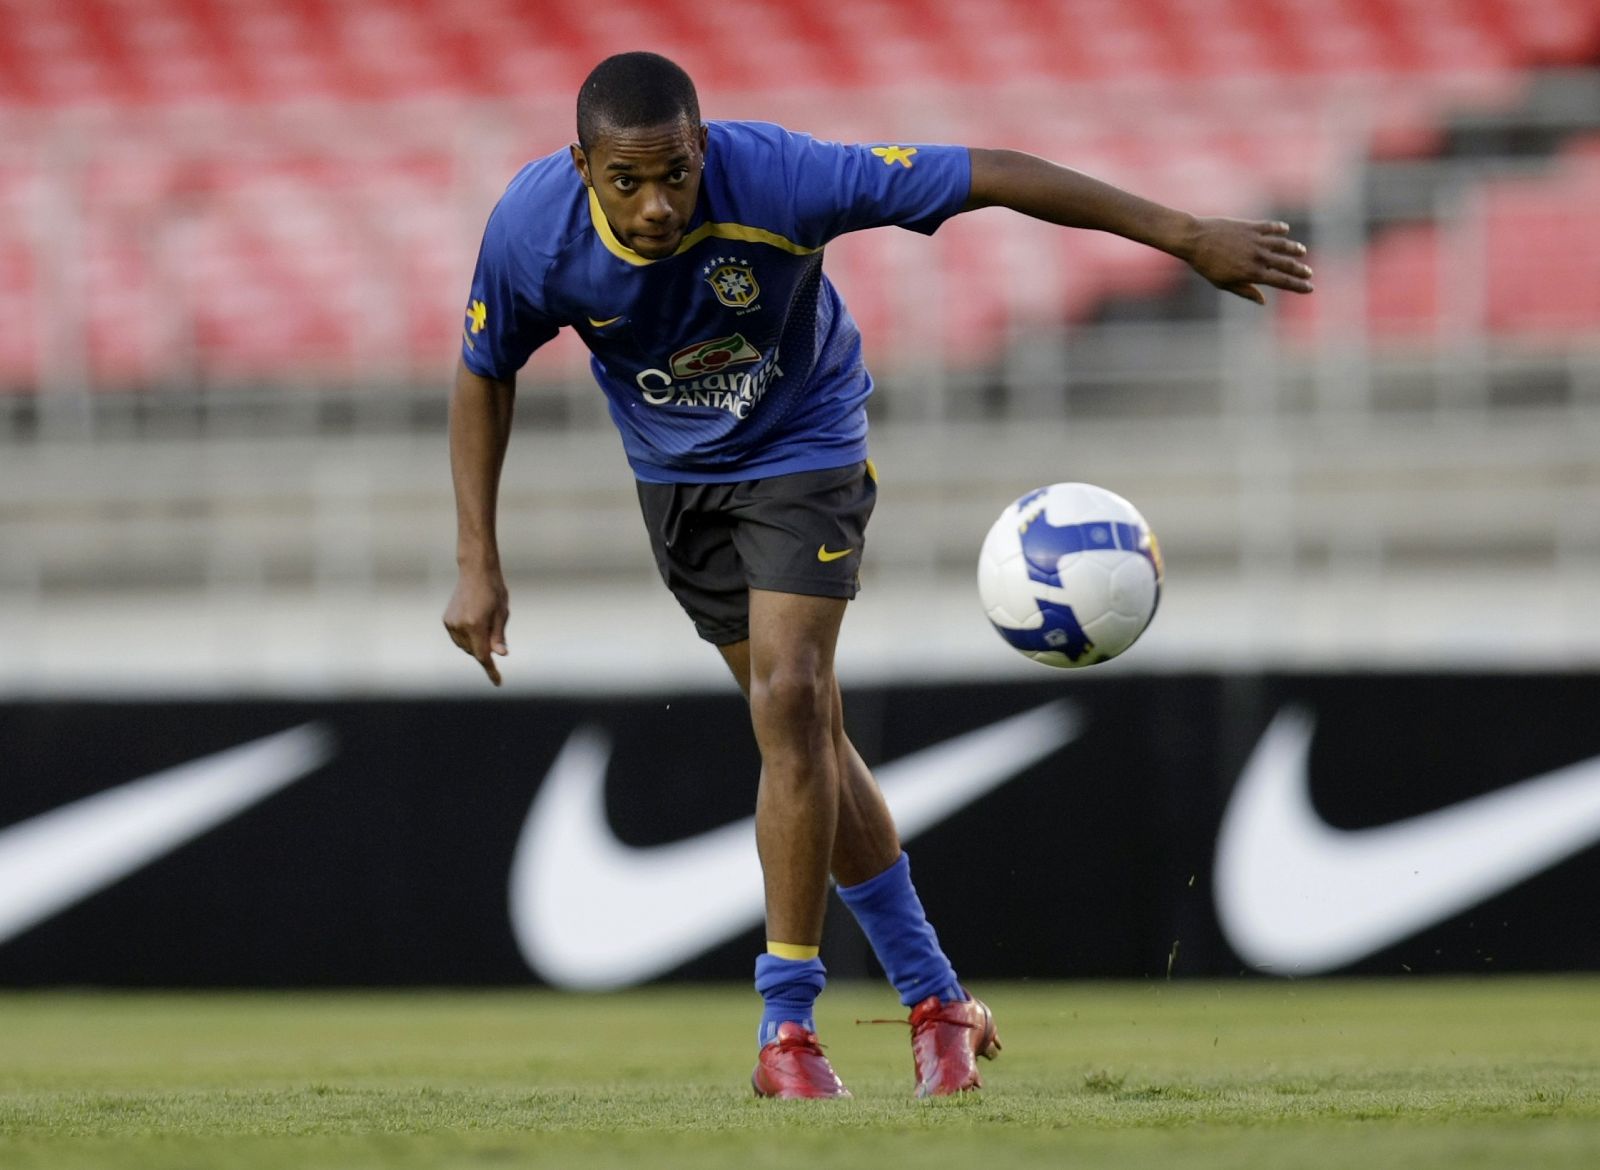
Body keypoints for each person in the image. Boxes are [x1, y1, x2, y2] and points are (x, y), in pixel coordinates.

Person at [443, 51, 1313, 1099]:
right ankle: (938, 1000)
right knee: (802, 733)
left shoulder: (781, 179)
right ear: (581, 163)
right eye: (626, 180)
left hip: (804, 444)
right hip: (673, 481)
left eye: (673, 172)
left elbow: (986, 171)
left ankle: (787, 1029)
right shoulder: (529, 233)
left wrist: (1183, 234)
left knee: (793, 695)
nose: (657, 202)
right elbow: (483, 375)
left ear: (701, 149)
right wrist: (477, 563)